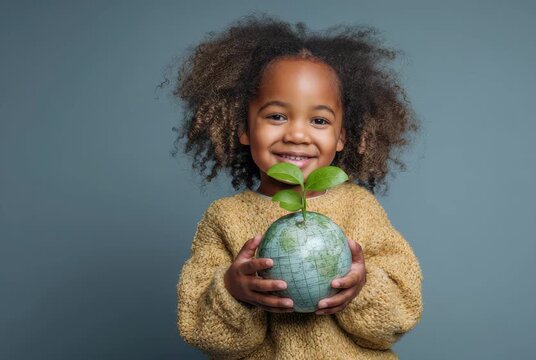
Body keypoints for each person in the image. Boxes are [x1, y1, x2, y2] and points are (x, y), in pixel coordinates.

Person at [173, 14, 423, 360]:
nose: (297, 134)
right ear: (243, 128)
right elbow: (204, 333)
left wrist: (362, 287)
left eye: (319, 120)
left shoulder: (359, 209)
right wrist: (233, 290)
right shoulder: (224, 219)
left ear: (341, 138)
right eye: (277, 116)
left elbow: (399, 317)